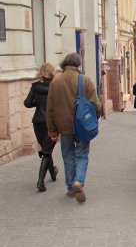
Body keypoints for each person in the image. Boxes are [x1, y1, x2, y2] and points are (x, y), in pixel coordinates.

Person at [47, 53, 101, 203]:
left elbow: (50, 109)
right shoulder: (86, 80)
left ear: (64, 64)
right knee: (82, 155)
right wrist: (94, 120)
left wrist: (52, 130)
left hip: (64, 127)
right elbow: (96, 104)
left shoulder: (55, 82)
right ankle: (79, 181)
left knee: (68, 155)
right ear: (78, 64)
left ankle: (71, 188)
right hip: (82, 126)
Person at [24, 63, 58, 192]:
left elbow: (27, 103)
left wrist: (37, 104)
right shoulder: (55, 86)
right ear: (52, 72)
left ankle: (53, 172)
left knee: (46, 149)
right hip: (50, 122)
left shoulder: (35, 86)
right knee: (47, 150)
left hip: (37, 121)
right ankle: (40, 181)